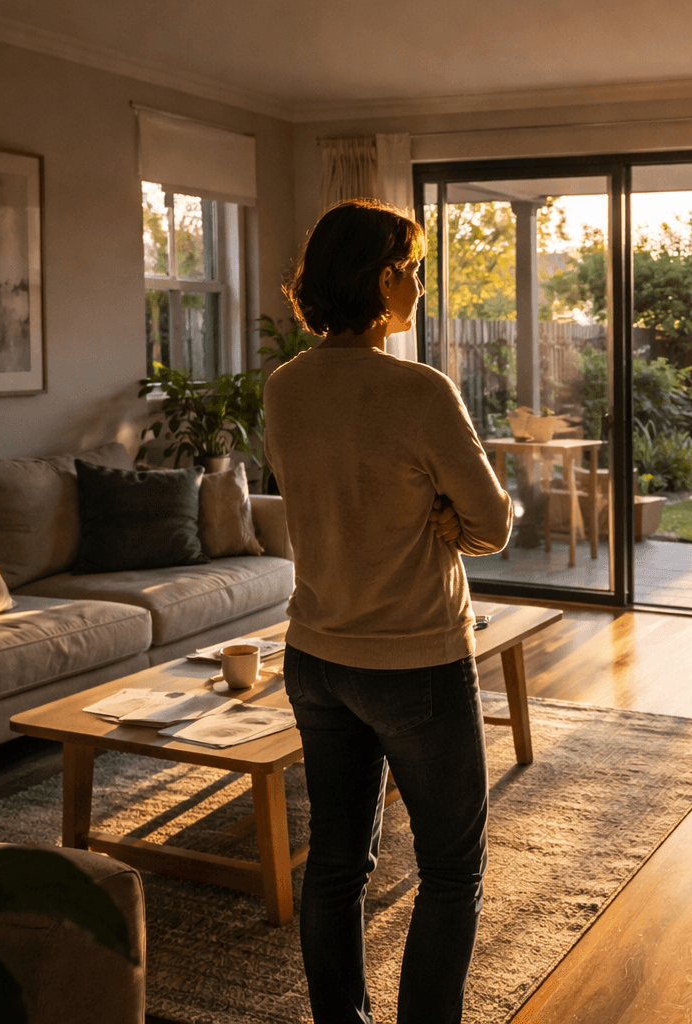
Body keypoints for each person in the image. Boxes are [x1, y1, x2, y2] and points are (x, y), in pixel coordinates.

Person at [263, 198, 513, 1024]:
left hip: (316, 657)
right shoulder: (419, 390)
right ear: (381, 279)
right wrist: (447, 520)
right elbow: (493, 522)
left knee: (336, 861)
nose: (418, 286)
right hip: (414, 662)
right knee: (450, 869)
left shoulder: (286, 386)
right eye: (411, 269)